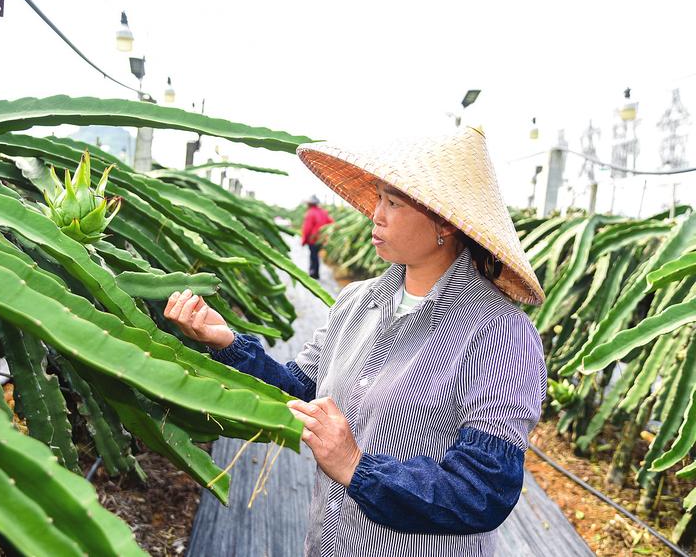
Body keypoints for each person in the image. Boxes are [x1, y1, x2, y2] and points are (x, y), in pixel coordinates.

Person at [164, 127, 547, 557]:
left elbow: (483, 491)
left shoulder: (500, 333)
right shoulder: (354, 302)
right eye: (379, 199)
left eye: (393, 203)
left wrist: (356, 467)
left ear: (444, 223)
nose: (375, 215)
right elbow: (301, 391)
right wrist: (228, 343)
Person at [301, 194, 334, 279]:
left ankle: (313, 273)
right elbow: (331, 222)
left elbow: (307, 229)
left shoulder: (310, 213)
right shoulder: (323, 212)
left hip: (313, 239)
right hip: (321, 239)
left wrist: (304, 240)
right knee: (316, 255)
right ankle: (316, 273)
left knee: (313, 255)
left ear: (310, 204)